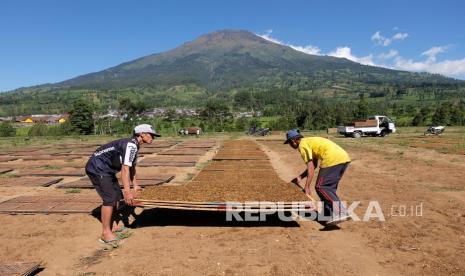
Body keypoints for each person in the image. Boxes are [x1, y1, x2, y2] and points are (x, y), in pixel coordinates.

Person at [85, 124, 161, 244]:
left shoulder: (134, 145)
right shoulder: (131, 145)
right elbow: (125, 169)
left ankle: (113, 226)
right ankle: (105, 233)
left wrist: (135, 185)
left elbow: (132, 167)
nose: (153, 137)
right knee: (109, 199)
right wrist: (128, 191)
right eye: (151, 135)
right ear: (142, 134)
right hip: (97, 168)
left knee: (117, 197)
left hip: (106, 169)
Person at [284, 129, 351, 228]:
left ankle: (341, 212)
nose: (290, 145)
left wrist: (307, 187)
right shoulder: (309, 141)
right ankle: (328, 215)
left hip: (332, 159)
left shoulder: (302, 145)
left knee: (321, 187)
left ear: (293, 141)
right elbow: (314, 165)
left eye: (289, 143)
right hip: (343, 158)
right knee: (329, 188)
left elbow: (310, 167)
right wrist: (300, 177)